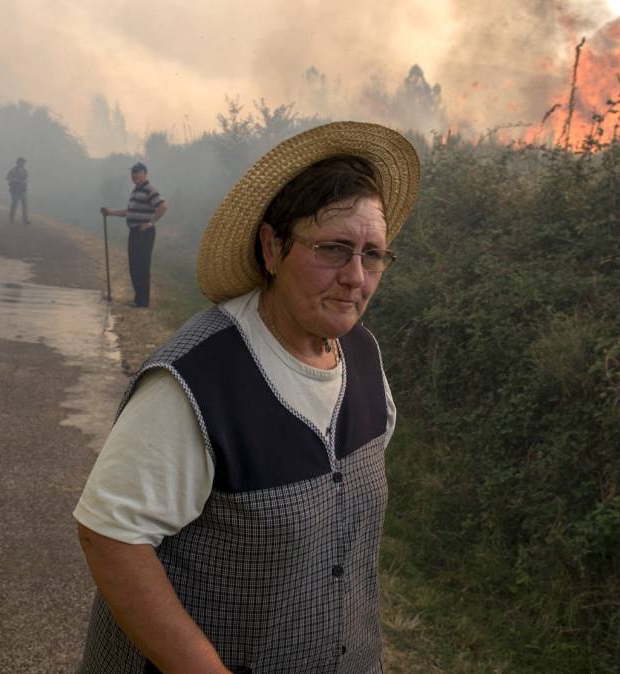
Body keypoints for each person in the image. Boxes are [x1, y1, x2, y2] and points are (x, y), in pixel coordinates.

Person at [74, 122, 420, 673]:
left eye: (373, 254)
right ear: (271, 247)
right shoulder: (198, 379)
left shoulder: (365, 359)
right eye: (333, 249)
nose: (356, 276)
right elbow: (111, 537)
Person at [99, 162, 167, 307]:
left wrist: (150, 223)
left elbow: (162, 206)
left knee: (141, 266)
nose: (134, 175)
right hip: (134, 232)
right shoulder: (136, 190)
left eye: (138, 172)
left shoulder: (150, 189)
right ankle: (138, 300)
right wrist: (110, 212)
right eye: (133, 173)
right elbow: (128, 212)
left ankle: (143, 302)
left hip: (145, 233)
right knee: (134, 266)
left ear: (145, 173)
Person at [6, 157, 29, 225]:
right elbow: (8, 178)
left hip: (23, 190)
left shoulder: (25, 171)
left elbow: (26, 179)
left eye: (23, 163)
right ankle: (11, 218)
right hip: (14, 190)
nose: (22, 164)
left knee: (25, 205)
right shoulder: (13, 170)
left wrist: (25, 183)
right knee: (14, 205)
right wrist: (15, 179)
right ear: (18, 162)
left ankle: (25, 219)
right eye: (21, 162)